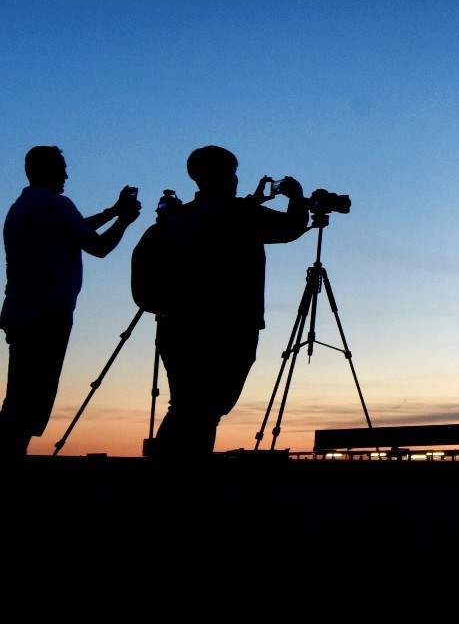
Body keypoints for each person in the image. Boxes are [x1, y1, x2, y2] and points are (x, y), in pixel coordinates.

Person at [147, 145, 309, 459]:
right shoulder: (239, 213)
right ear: (222, 175)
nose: (235, 179)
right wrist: (296, 196)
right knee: (205, 409)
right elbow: (291, 227)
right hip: (230, 326)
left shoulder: (183, 214)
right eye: (231, 172)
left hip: (177, 326)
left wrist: (253, 202)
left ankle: (165, 480)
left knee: (185, 407)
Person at [0, 146, 142, 458]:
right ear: (47, 170)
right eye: (61, 167)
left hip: (21, 310)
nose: (66, 174)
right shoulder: (57, 205)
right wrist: (125, 221)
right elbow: (100, 247)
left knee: (19, 396)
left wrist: (113, 211)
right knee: (30, 402)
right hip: (47, 314)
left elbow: (71, 228)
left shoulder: (24, 206)